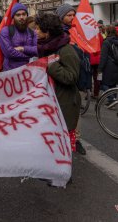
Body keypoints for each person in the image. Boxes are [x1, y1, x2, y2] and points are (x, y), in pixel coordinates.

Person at [35, 13, 81, 152]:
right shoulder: (46, 47)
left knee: (61, 146)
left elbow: (71, 77)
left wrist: (51, 65)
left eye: (38, 29)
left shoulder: (66, 50)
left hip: (64, 103)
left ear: (47, 32)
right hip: (50, 101)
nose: (35, 31)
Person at [55, 3, 87, 155]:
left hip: (80, 76)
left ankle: (76, 140)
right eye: (69, 15)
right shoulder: (59, 35)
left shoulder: (75, 31)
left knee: (76, 112)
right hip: (67, 79)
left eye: (73, 15)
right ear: (61, 17)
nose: (72, 18)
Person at [0, 3, 37, 71]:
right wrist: (28, 57)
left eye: (24, 14)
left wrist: (23, 49)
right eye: (18, 15)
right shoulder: (5, 31)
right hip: (11, 73)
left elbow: (38, 49)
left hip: (29, 72)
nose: (21, 17)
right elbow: (9, 53)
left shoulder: (32, 32)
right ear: (13, 17)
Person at [98, 25, 118, 108]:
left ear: (107, 32)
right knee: (113, 84)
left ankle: (112, 99)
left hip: (108, 66)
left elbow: (103, 57)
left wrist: (100, 69)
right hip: (117, 65)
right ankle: (112, 102)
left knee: (104, 84)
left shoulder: (106, 42)